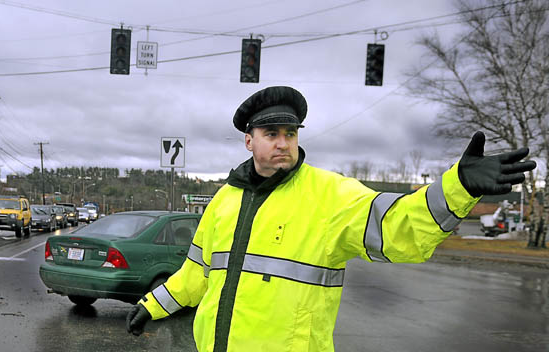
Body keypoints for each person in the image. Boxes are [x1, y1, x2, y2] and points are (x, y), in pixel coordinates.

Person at [125, 86, 535, 351]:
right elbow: (196, 273)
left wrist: (456, 188)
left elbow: (398, 228)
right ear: (249, 140)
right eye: (272, 135)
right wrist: (153, 306)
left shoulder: (329, 195)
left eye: (291, 133)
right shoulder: (224, 200)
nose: (283, 143)